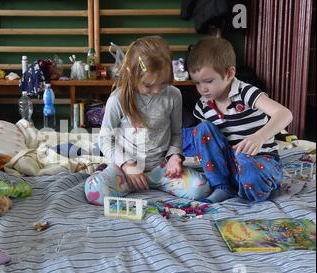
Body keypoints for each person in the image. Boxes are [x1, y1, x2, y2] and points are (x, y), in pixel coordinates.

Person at [84, 36, 211, 206]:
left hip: (160, 168)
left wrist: (174, 156)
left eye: (163, 83)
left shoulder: (173, 95)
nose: (157, 90)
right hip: (126, 169)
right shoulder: (117, 99)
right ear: (131, 73)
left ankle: (142, 183)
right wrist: (127, 165)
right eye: (149, 85)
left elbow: (176, 133)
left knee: (200, 188)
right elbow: (105, 139)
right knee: (95, 191)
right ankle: (110, 174)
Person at [187, 37, 293, 203]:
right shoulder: (203, 105)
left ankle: (248, 190)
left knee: (247, 162)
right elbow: (208, 146)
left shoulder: (246, 92)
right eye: (197, 83)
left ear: (229, 73)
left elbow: (285, 114)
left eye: (208, 81)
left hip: (260, 161)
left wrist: (260, 136)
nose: (203, 89)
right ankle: (222, 186)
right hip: (229, 167)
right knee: (201, 129)